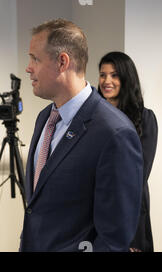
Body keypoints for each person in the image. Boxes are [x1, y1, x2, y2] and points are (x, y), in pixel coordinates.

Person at [21, 18, 143, 252]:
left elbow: (114, 238)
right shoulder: (44, 118)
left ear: (62, 62)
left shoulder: (114, 133)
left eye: (35, 58)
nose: (28, 67)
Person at [98, 51, 158, 252]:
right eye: (103, 74)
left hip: (129, 216)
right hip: (94, 215)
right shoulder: (92, 119)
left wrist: (129, 238)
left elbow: (137, 176)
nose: (107, 81)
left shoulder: (145, 119)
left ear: (126, 78)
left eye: (114, 75)